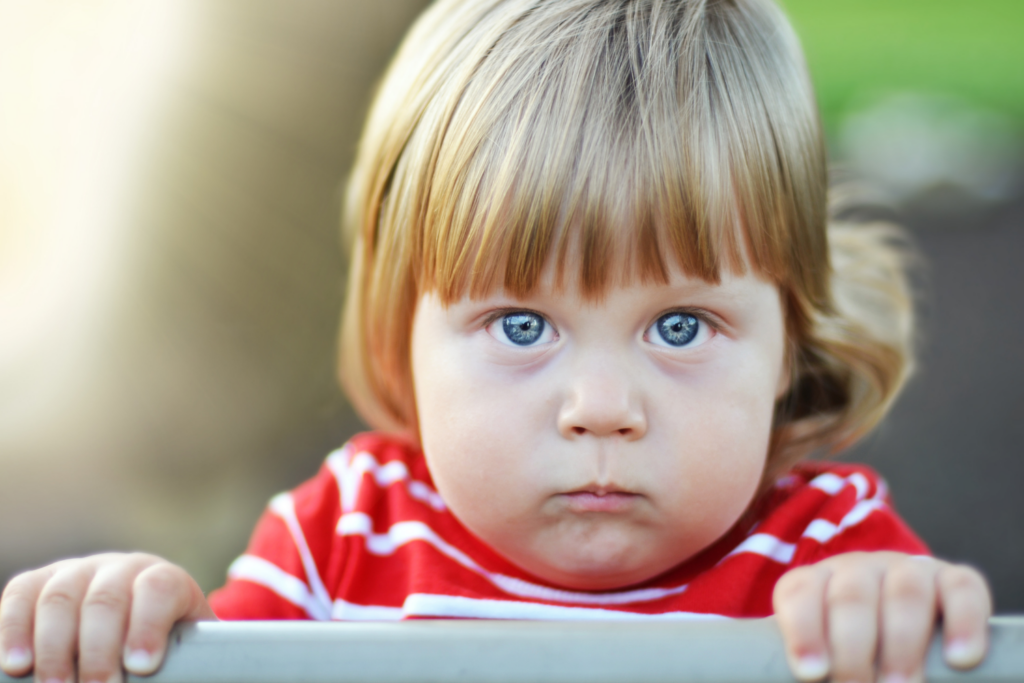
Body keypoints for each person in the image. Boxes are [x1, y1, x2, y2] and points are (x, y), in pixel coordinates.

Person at [0, 1, 993, 682]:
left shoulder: (819, 556)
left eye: (679, 325)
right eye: (522, 325)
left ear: (785, 346)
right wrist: (140, 625)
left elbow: (915, 629)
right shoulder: (340, 541)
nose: (600, 405)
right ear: (401, 344)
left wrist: (898, 616)